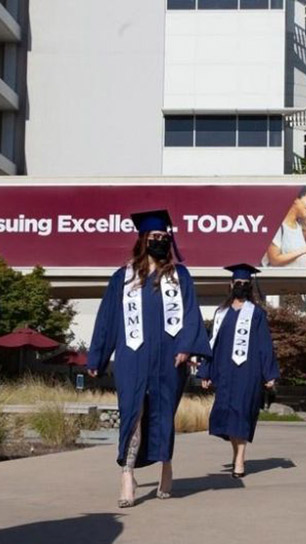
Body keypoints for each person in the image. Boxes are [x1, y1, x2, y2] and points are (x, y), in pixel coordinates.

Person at [87, 209, 212, 508]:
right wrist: (97, 358)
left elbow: (191, 313)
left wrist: (186, 346)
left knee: (163, 412)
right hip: (132, 356)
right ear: (142, 240)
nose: (159, 241)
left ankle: (166, 465)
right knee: (133, 413)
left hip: (170, 358)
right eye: (154, 237)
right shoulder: (122, 277)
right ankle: (127, 475)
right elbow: (107, 319)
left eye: (163, 237)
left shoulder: (179, 276)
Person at [198, 264, 279, 478]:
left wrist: (269, 374)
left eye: (245, 284)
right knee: (226, 414)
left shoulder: (257, 314)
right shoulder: (221, 313)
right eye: (238, 283)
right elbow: (211, 344)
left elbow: (265, 344)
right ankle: (236, 454)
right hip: (224, 372)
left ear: (249, 286)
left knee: (242, 413)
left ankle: (240, 459)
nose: (241, 286)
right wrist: (205, 371)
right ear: (231, 284)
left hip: (248, 372)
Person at [263, 187, 306, 267]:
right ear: (295, 199)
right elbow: (274, 260)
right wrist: (305, 250)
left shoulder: (298, 227)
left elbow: (293, 254)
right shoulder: (278, 226)